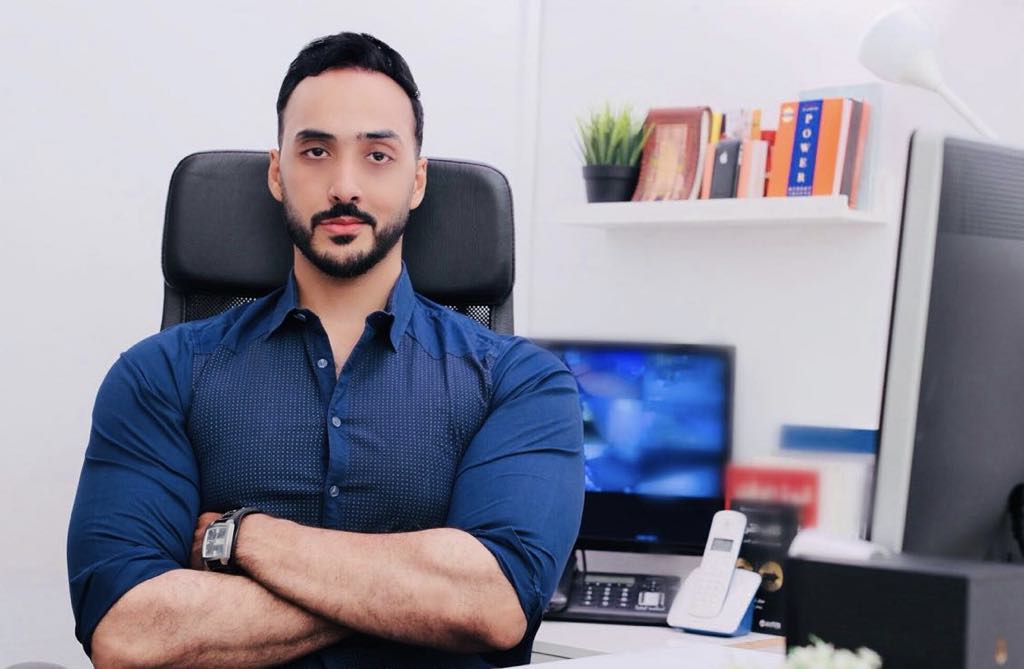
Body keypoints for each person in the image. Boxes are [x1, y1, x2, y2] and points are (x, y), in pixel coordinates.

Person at [67, 31, 584, 668]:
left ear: (417, 180)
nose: (344, 186)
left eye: (378, 155)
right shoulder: (159, 374)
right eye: (315, 151)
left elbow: (494, 603)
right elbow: (128, 632)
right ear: (277, 173)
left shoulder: (522, 382)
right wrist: (414, 596)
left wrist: (242, 538)